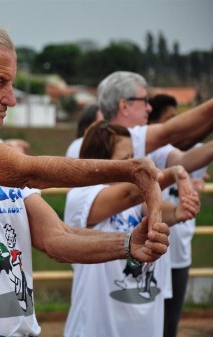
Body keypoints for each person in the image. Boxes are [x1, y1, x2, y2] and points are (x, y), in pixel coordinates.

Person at [0, 14, 170, 337]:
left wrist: (126, 243)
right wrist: (128, 170)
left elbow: (58, 237)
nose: (11, 97)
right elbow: (27, 170)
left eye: (10, 83)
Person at [63, 121, 200, 337]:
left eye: (133, 157)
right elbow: (129, 195)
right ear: (101, 163)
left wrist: (178, 212)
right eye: (125, 160)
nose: (133, 166)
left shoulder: (138, 198)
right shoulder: (82, 196)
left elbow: (149, 207)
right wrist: (171, 173)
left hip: (144, 327)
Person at [149, 94, 209, 337]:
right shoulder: (149, 150)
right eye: (169, 119)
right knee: (152, 321)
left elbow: (194, 173)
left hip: (180, 246)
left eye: (178, 118)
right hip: (155, 248)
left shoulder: (193, 150)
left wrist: (197, 186)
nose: (177, 124)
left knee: (170, 324)